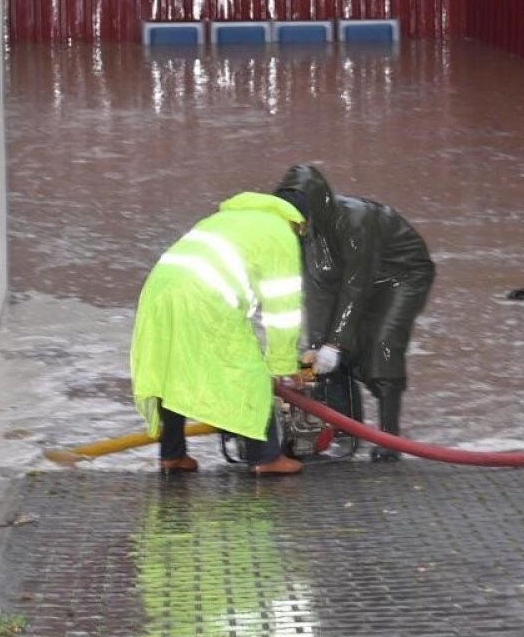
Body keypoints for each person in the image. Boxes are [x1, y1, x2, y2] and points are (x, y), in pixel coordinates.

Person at [130, 191, 307, 476]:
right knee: (248, 372)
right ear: (297, 221)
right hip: (204, 297)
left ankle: (172, 455)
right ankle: (265, 457)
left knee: (171, 370)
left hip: (158, 292)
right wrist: (284, 364)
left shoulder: (224, 219)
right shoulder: (280, 233)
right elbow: (282, 309)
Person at [273, 164, 436, 462]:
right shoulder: (303, 232)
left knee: (383, 344)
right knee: (324, 355)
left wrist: (335, 344)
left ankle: (389, 437)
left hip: (401, 273)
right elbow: (317, 292)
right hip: (349, 279)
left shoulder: (355, 221)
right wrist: (318, 348)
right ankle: (345, 431)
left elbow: (356, 287)